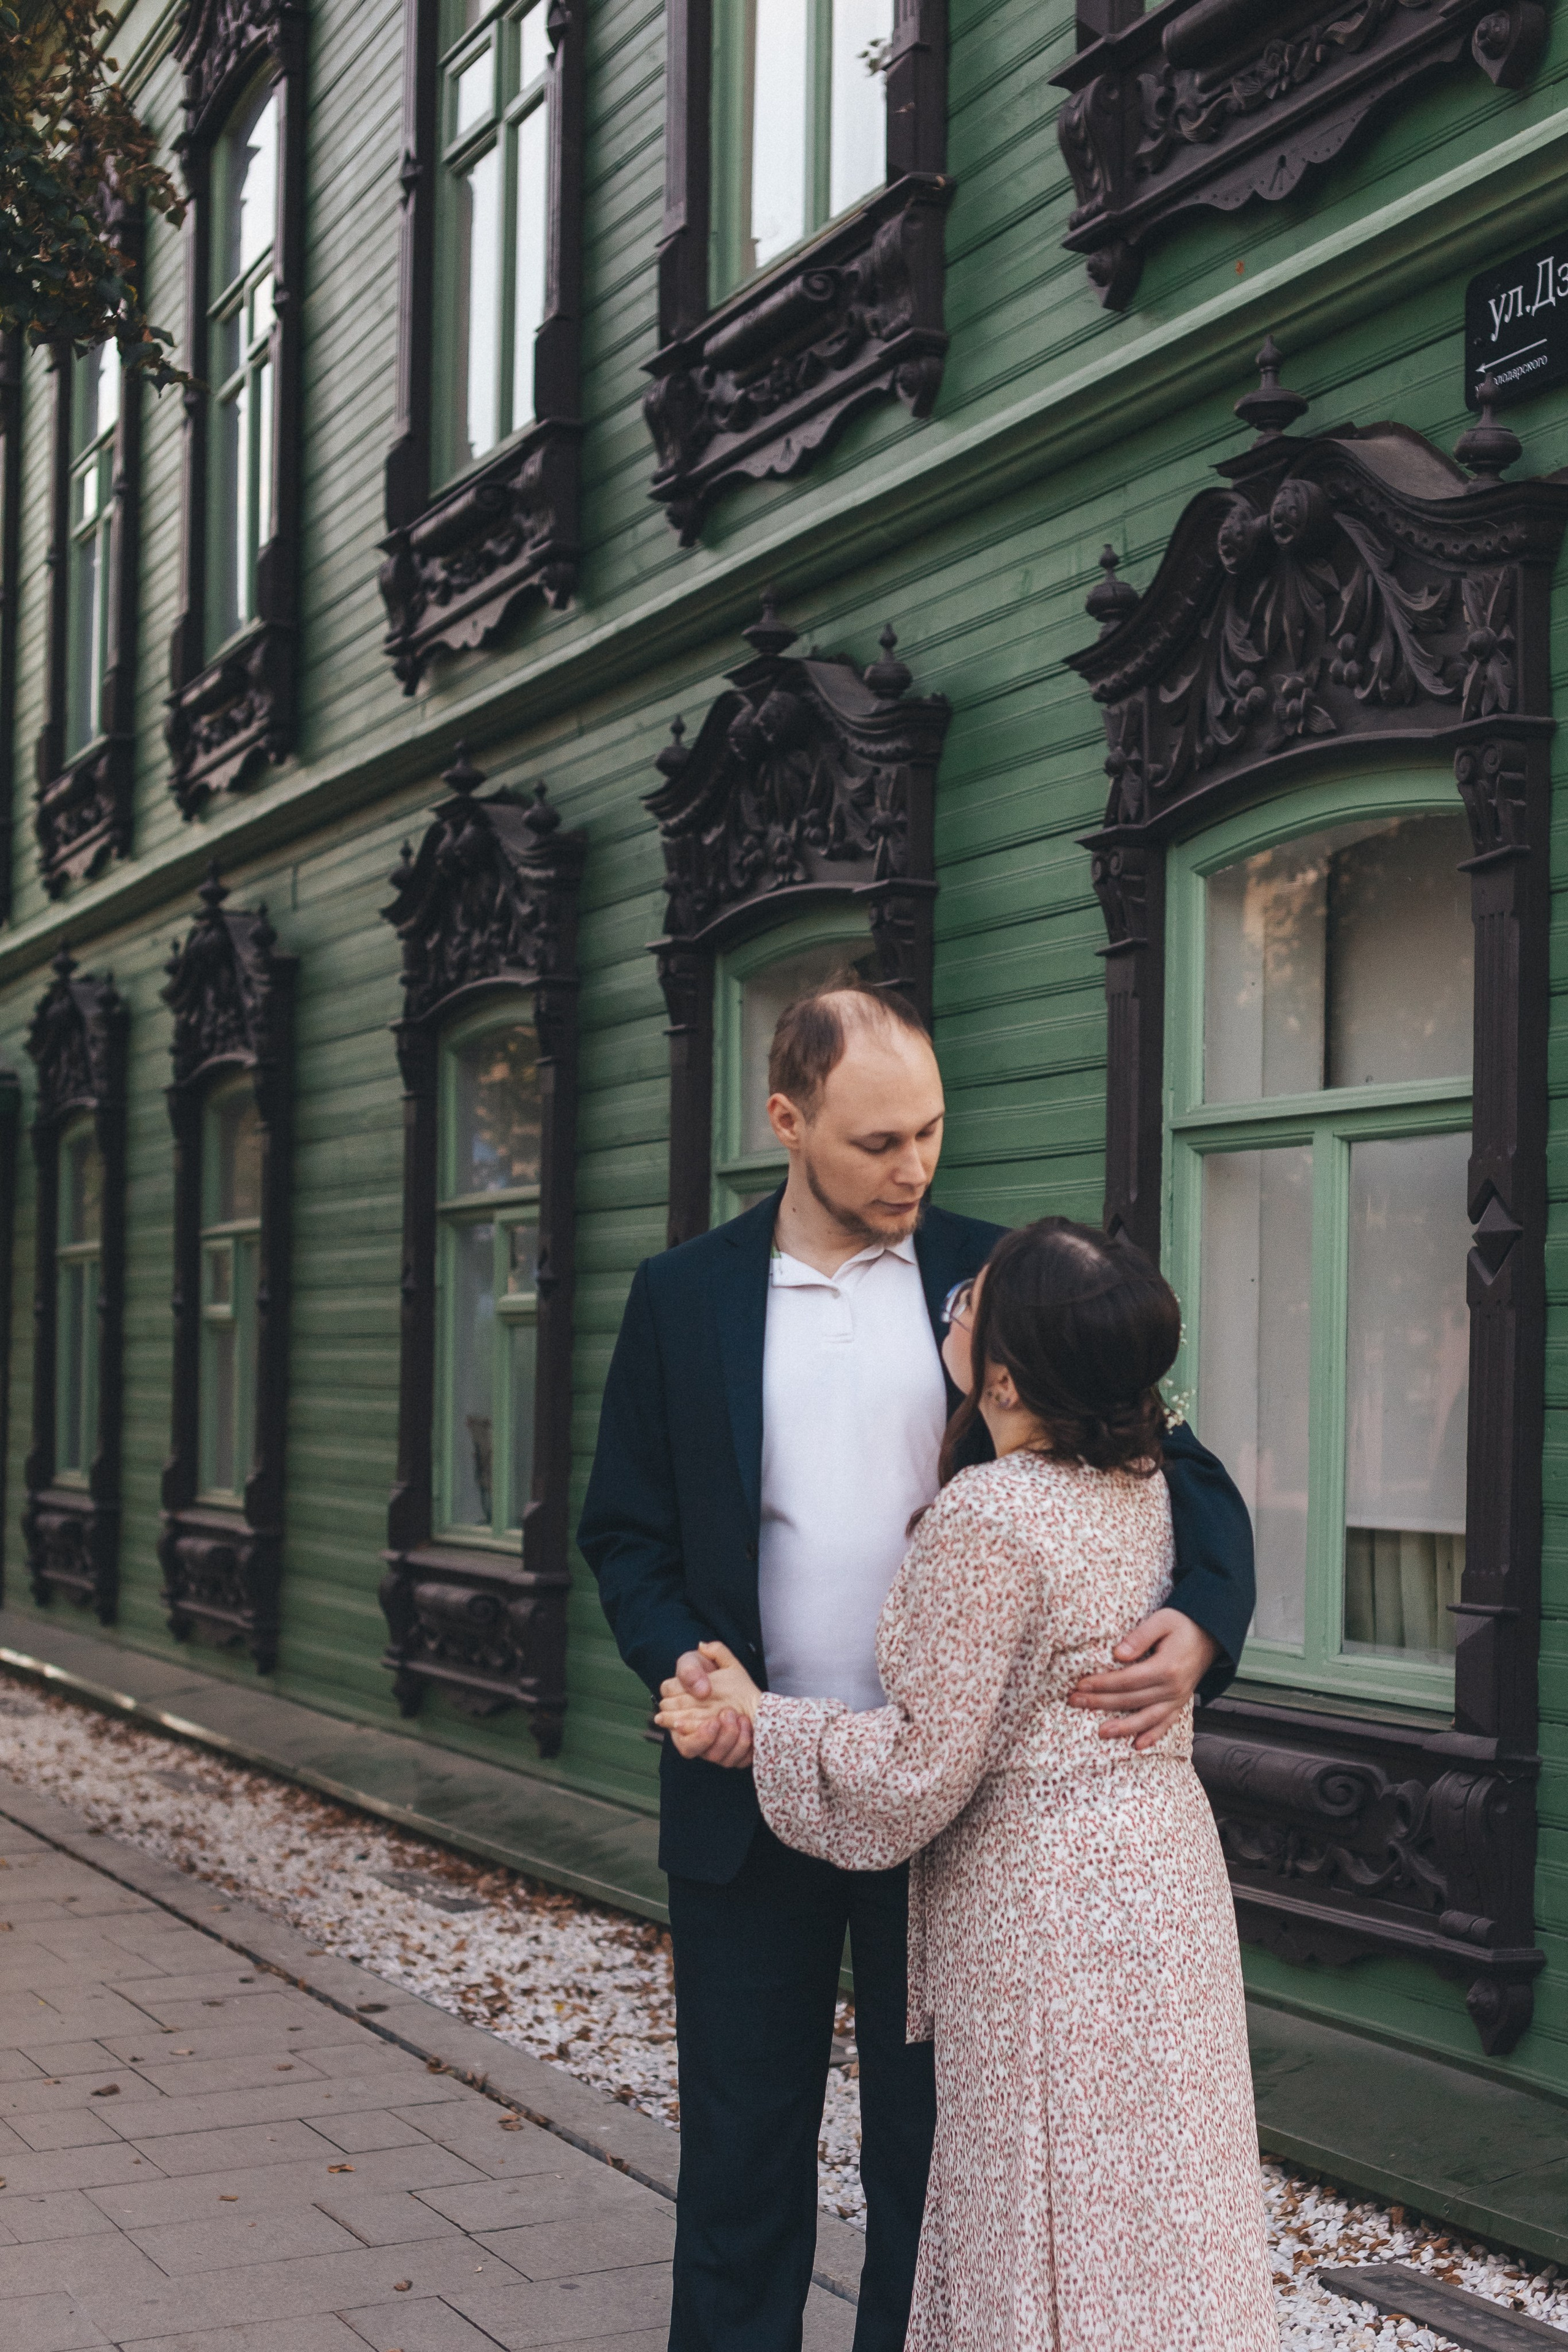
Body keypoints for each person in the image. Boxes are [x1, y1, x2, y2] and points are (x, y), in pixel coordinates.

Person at [577, 976, 1256, 2352]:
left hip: (952, 1827)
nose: (915, 1167)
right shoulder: (680, 1296)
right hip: (743, 1802)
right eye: (878, 1142)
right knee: (737, 2173)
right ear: (785, 1119)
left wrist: (1203, 1622)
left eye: (930, 1133)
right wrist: (686, 1664)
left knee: (930, 2178)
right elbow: (624, 1531)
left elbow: (1174, 1464)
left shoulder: (1000, 1283)